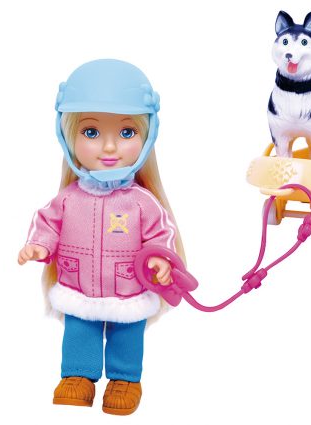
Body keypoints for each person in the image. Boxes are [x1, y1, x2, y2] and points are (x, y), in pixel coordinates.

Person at [18, 59, 184, 416]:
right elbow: (48, 223)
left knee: (128, 334)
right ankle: (78, 375)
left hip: (129, 287)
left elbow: (161, 234)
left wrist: (159, 258)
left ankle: (125, 379)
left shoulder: (142, 202)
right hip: (78, 285)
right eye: (91, 132)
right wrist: (39, 246)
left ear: (147, 137)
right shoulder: (69, 199)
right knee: (79, 331)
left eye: (127, 133)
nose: (109, 147)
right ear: (68, 136)